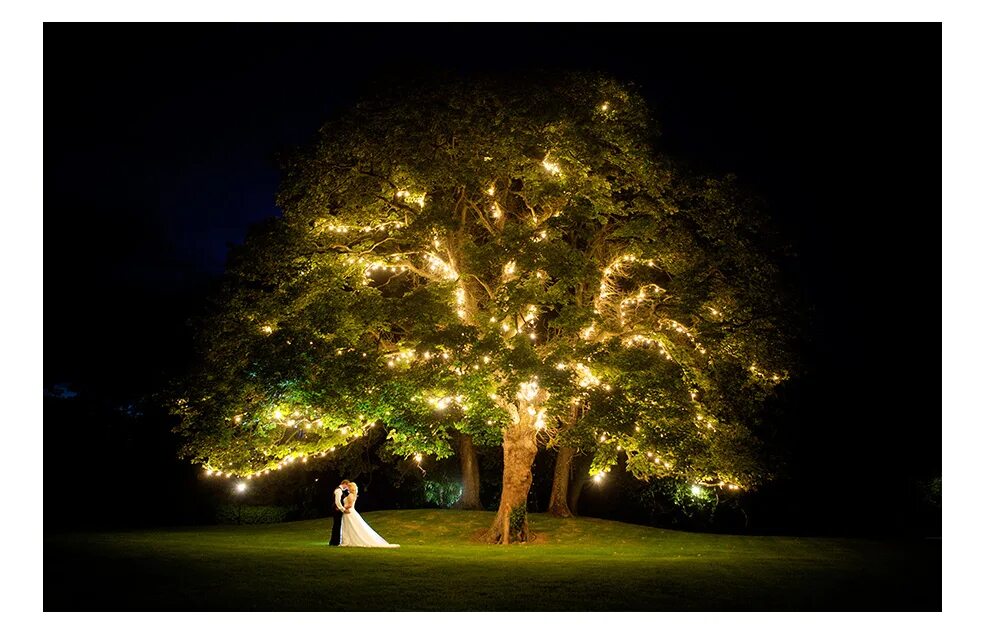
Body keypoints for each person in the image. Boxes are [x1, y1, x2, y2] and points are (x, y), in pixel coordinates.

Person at [340, 481, 399, 547]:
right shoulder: (353, 495)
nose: (347, 489)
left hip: (349, 512)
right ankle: (348, 540)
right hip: (349, 512)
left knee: (350, 526)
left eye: (348, 487)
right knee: (349, 526)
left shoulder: (350, 495)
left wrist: (342, 508)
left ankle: (349, 540)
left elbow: (350, 505)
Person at [328, 479, 350, 546]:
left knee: (337, 525)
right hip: (337, 510)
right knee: (337, 525)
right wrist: (343, 509)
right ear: (344, 484)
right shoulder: (338, 490)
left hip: (337, 509)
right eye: (347, 486)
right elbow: (337, 502)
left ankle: (334, 541)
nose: (347, 488)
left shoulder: (340, 490)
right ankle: (335, 542)